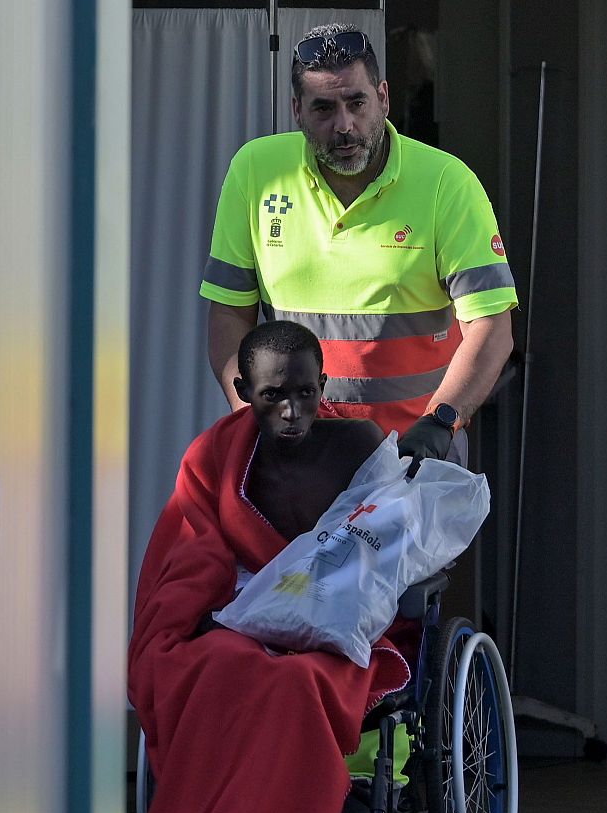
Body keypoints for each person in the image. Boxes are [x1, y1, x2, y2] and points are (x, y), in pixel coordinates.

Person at [127, 321, 412, 813]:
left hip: (333, 620)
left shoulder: (358, 445)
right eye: (272, 395)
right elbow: (192, 550)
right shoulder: (216, 454)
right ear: (242, 390)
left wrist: (325, 605)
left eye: (305, 392)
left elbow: (385, 542)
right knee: (213, 666)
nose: (291, 410)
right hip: (245, 611)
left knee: (295, 684)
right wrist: (210, 614)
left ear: (323, 385)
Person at [202, 23, 517, 477]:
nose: (344, 126)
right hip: (298, 459)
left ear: (383, 98)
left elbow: (492, 328)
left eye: (357, 103)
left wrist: (441, 422)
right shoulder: (256, 171)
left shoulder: (447, 183)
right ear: (297, 110)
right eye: (323, 108)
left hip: (415, 458)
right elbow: (229, 314)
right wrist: (252, 416)